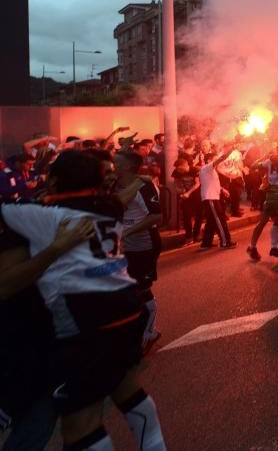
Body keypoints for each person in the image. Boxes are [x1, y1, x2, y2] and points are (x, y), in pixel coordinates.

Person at [0, 150, 167, 451]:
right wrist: (141, 181)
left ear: (52, 180)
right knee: (127, 391)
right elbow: (123, 197)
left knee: (80, 422)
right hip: (127, 308)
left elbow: (7, 209)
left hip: (85, 318)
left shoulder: (42, 216)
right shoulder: (108, 207)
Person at [0, 205, 95, 451]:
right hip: (16, 353)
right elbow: (5, 285)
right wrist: (56, 249)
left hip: (36, 352)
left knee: (40, 424)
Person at [113, 151, 164, 354]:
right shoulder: (114, 185)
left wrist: (128, 231)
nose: (113, 165)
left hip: (145, 244)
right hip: (123, 245)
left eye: (117, 162)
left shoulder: (144, 186)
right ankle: (133, 330)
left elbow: (156, 216)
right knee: (126, 287)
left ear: (127, 166)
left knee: (141, 287)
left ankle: (149, 332)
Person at [247, 146, 278, 262]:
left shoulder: (269, 161)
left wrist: (266, 155)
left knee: (264, 222)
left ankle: (253, 246)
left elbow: (253, 165)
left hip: (270, 195)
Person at [199, 145, 237, 250]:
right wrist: (231, 149)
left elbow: (211, 183)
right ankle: (225, 242)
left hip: (212, 197)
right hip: (210, 198)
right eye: (215, 158)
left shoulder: (211, 170)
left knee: (211, 221)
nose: (217, 160)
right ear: (209, 160)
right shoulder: (207, 167)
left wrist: (222, 190)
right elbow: (221, 158)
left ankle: (206, 243)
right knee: (220, 219)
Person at [171, 157, 201, 244]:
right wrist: (182, 193)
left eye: (180, 168)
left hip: (196, 194)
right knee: (186, 216)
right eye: (177, 169)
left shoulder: (194, 170)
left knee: (198, 215)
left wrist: (189, 193)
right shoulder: (176, 173)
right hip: (185, 196)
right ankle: (189, 236)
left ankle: (197, 234)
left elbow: (197, 183)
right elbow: (177, 184)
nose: (179, 171)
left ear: (186, 165)